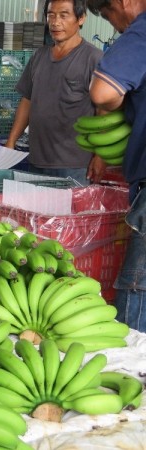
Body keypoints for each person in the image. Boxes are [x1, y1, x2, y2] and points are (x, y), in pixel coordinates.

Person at [86, 0, 146, 331]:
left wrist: (119, 99)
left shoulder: (140, 33)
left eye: (108, 14)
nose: (114, 24)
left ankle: (131, 373)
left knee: (138, 286)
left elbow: (102, 92)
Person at [4, 0, 103, 185]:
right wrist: (11, 142)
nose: (55, 22)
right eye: (51, 15)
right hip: (37, 159)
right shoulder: (39, 57)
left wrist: (100, 156)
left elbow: (104, 112)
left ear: (81, 18)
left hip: (75, 164)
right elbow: (27, 101)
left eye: (64, 15)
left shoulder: (93, 58)